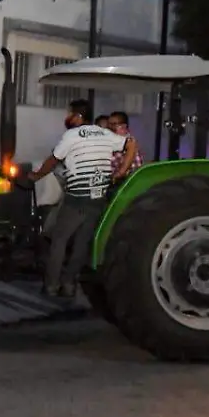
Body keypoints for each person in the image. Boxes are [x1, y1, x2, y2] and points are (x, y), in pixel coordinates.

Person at [30, 99, 137, 297]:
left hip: (76, 198)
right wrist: (121, 171)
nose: (67, 117)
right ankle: (69, 284)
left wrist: (35, 176)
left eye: (69, 113)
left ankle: (52, 285)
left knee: (59, 240)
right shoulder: (104, 133)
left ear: (78, 116)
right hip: (97, 198)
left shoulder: (71, 135)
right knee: (81, 242)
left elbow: (53, 160)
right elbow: (131, 144)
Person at [107, 111, 144, 179]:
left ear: (124, 126)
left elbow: (135, 170)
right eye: (109, 125)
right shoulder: (112, 140)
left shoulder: (130, 143)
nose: (110, 128)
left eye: (114, 124)